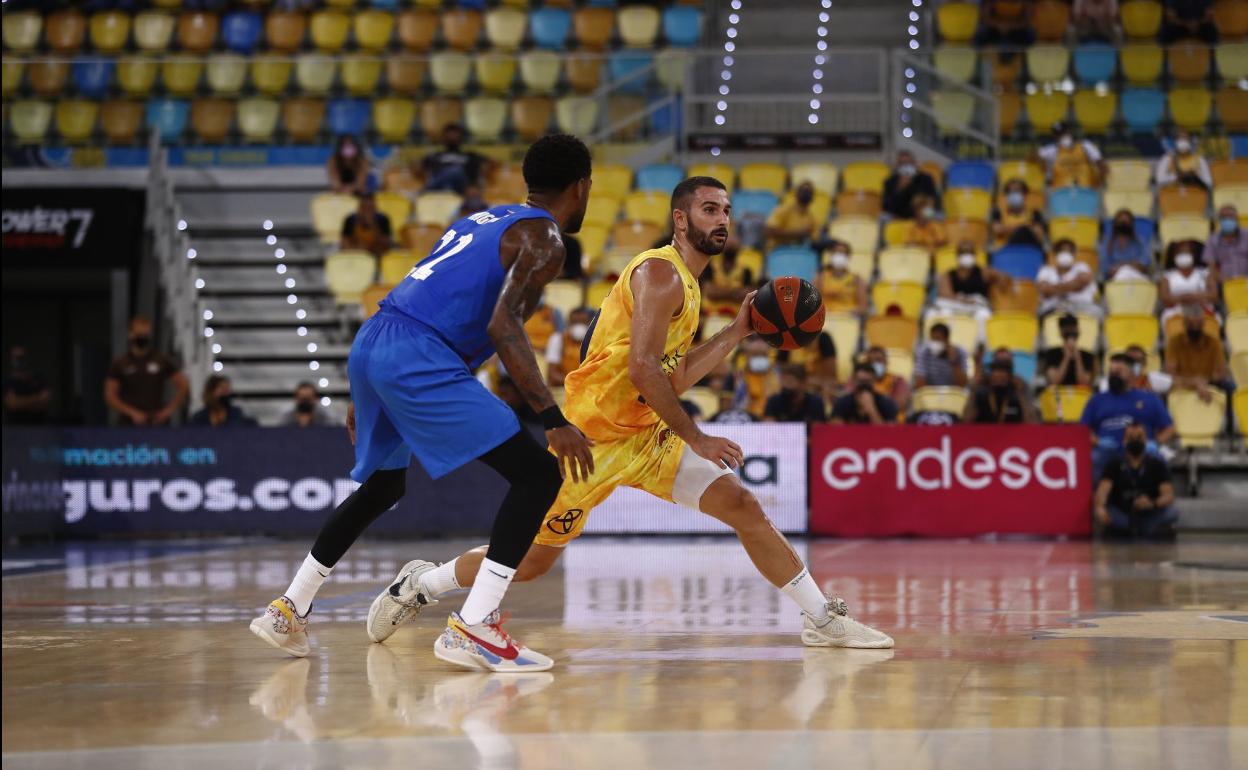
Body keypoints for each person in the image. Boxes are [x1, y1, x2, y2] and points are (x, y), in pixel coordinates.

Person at [374, 176, 893, 652]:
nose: (722, 220)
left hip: (646, 436)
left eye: (727, 211)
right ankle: (422, 583)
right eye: (710, 210)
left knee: (742, 506)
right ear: (681, 219)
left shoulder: (690, 285)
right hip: (591, 440)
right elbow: (644, 371)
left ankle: (821, 619)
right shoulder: (661, 273)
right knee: (531, 562)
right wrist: (698, 437)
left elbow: (672, 376)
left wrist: (737, 331)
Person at [250, 134, 598, 672]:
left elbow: (424, 292)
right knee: (537, 476)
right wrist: (552, 419)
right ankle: (475, 627)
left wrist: (368, 383)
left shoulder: (482, 219)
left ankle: (289, 610)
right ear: (582, 187)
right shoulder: (545, 239)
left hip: (377, 338)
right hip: (417, 354)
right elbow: (504, 326)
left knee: (384, 486)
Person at [1080, 353, 1175, 479]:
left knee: (1159, 460)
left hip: (1141, 449)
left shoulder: (1149, 399)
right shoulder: (1097, 400)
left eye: (1118, 372)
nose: (1114, 375)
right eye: (1111, 372)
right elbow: (1083, 430)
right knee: (1093, 459)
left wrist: (1155, 443)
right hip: (1107, 451)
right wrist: (1098, 442)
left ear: (1131, 374)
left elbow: (1170, 428)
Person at [1094, 422, 1178, 540]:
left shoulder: (1157, 464)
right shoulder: (1114, 464)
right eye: (1131, 438)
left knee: (1171, 513)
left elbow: (1168, 495)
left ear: (1146, 441)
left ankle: (1143, 530)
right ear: (1124, 441)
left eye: (1139, 437)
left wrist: (1152, 503)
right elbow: (1102, 491)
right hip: (1122, 511)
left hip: (1149, 512)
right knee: (1109, 514)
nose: (1135, 441)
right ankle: (1129, 530)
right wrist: (1100, 508)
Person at [104, 317, 188, 426]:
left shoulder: (160, 360)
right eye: (139, 334)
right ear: (131, 334)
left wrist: (168, 410)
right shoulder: (121, 363)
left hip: (156, 421)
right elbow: (110, 395)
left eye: (146, 335)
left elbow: (183, 385)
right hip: (128, 423)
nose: (142, 338)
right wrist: (131, 412)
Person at [934, 239, 1011, 340]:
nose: (967, 255)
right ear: (957, 255)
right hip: (957, 305)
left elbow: (1005, 277)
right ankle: (950, 340)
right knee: (944, 312)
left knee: (984, 315)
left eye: (969, 252)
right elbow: (944, 294)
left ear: (974, 255)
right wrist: (964, 300)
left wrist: (1001, 281)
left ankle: (980, 344)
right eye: (963, 252)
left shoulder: (984, 272)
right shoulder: (948, 274)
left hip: (976, 307)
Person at [1165, 303, 1229, 406]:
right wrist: (1194, 383)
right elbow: (1171, 375)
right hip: (1182, 385)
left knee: (1230, 386)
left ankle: (1229, 416)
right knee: (1163, 389)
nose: (1195, 329)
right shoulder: (1174, 342)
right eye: (1191, 325)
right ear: (1184, 324)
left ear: (1203, 324)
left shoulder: (1213, 342)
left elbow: (1221, 373)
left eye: (1198, 326)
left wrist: (1204, 382)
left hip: (1210, 383)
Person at [417, 123, 494, 194]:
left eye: (454, 135)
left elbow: (493, 163)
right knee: (451, 174)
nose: (452, 137)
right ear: (443, 138)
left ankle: (425, 191)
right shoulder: (435, 156)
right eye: (449, 135)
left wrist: (484, 174)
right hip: (439, 187)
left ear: (460, 137)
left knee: (456, 171)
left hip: (463, 188)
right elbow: (417, 166)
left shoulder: (470, 155)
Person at [1037, 238, 1101, 317]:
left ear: (1074, 254)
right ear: (1055, 254)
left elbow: (1083, 281)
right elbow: (1044, 289)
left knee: (1097, 312)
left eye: (1069, 251)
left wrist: (1054, 289)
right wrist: (1074, 286)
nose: (1065, 253)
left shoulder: (1082, 266)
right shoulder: (1046, 270)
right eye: (1062, 251)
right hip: (1054, 308)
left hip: (1083, 307)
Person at [1160, 240, 1218, 323]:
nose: (1183, 255)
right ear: (1174, 256)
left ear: (1193, 255)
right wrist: (1182, 299)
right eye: (1180, 253)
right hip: (1176, 313)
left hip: (1202, 310)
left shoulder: (1205, 273)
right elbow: (1165, 299)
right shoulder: (1168, 276)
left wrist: (1195, 297)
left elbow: (1214, 295)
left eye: (1187, 252)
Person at [963, 360, 1037, 423]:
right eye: (995, 378)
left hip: (1013, 434)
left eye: (1002, 379)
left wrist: (1022, 394)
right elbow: (966, 420)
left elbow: (1032, 423)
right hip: (984, 434)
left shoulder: (1017, 396)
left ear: (1009, 378)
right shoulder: (981, 395)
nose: (998, 380)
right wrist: (973, 391)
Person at [1037, 122, 1106, 189]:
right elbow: (1037, 156)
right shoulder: (1051, 151)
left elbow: (1101, 164)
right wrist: (1043, 165)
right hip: (1061, 192)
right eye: (1059, 135)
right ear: (1055, 137)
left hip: (1086, 190)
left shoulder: (1085, 146)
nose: (1062, 136)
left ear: (1070, 132)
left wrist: (1101, 181)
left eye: (1064, 133)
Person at [830, 362, 899, 425]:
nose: (864, 385)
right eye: (861, 381)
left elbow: (889, 432)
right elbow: (836, 430)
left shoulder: (886, 403)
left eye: (868, 382)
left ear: (874, 381)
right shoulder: (842, 402)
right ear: (854, 381)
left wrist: (872, 410)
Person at [1043, 313, 1098, 387]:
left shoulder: (1087, 356)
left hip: (1079, 393)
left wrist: (1077, 357)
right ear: (1061, 332)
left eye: (1072, 328)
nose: (1070, 332)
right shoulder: (1052, 354)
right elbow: (1055, 381)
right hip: (1058, 393)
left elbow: (1084, 382)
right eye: (1067, 329)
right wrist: (1066, 357)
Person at [882, 150, 939, 220]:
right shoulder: (890, 181)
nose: (906, 166)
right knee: (884, 218)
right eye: (902, 164)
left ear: (914, 163)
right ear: (897, 166)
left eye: (908, 163)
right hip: (899, 214)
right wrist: (899, 188)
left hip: (923, 212)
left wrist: (925, 212)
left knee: (938, 216)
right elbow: (887, 206)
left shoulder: (926, 178)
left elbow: (933, 199)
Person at [991, 178, 1046, 249]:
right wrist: (1025, 228)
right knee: (1023, 232)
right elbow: (998, 230)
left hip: (1029, 250)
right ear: (1006, 196)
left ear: (1025, 195)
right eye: (1010, 192)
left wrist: (1007, 229)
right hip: (1004, 251)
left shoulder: (1034, 213)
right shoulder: (998, 212)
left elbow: (1038, 232)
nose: (1014, 194)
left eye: (1017, 191)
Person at [764, 181, 818, 252]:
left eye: (809, 192)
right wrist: (798, 233)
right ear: (796, 193)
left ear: (812, 198)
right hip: (777, 250)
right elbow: (769, 231)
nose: (806, 194)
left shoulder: (812, 218)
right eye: (803, 191)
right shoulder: (783, 209)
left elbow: (814, 239)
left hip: (799, 252)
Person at [817, 240, 868, 317]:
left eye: (842, 253)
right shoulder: (820, 278)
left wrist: (848, 314)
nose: (839, 255)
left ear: (848, 257)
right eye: (836, 252)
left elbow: (863, 307)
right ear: (831, 255)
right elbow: (814, 303)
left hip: (848, 318)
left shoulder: (857, 280)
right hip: (826, 316)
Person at [3, 344, 51, 425]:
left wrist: (20, 402)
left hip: (39, 426)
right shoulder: (7, 381)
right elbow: (12, 404)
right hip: (14, 427)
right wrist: (37, 398)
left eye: (21, 357)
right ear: (11, 359)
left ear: (27, 358)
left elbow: (45, 402)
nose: (19, 361)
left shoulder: (39, 379)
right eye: (16, 357)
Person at [547, 306, 593, 387]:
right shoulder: (558, 339)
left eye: (583, 322)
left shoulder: (594, 342)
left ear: (589, 323)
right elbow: (552, 375)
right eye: (575, 322)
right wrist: (574, 383)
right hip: (563, 387)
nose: (579, 326)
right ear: (569, 323)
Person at [913, 322, 969, 389]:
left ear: (947, 340)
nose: (934, 343)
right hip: (930, 392)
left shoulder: (960, 352)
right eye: (932, 339)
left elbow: (962, 384)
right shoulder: (923, 352)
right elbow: (920, 384)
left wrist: (954, 362)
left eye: (938, 339)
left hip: (952, 392)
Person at [1101, 209, 1152, 282]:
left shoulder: (1140, 242)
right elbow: (1106, 268)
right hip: (1114, 280)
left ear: (1131, 224)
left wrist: (1123, 267)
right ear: (1115, 224)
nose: (1124, 226)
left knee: (1126, 271)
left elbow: (1144, 264)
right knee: (1124, 273)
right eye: (1121, 223)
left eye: (1126, 223)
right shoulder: (1107, 243)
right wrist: (1130, 265)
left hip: (1137, 277)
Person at [190, 375, 257, 427]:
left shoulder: (235, 414)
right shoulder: (200, 417)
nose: (225, 392)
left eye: (227, 389)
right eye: (222, 388)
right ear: (211, 391)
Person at [1202, 205, 1248, 280]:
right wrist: (1224, 281)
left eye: (1230, 217)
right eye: (1223, 217)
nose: (1227, 220)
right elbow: (1211, 265)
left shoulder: (1246, 235)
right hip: (1224, 282)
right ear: (1219, 220)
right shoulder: (1213, 239)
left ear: (1237, 219)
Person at [341, 191, 393, 258]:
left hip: (376, 255)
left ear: (375, 207)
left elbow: (387, 244)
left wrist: (373, 226)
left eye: (370, 208)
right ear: (359, 208)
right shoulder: (350, 220)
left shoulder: (383, 219)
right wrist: (358, 250)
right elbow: (344, 243)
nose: (367, 212)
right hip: (355, 255)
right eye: (364, 208)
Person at [865, 346, 910, 415]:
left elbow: (901, 404)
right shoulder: (858, 380)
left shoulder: (897, 381)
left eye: (878, 360)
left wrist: (871, 405)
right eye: (870, 362)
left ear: (886, 361)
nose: (874, 364)